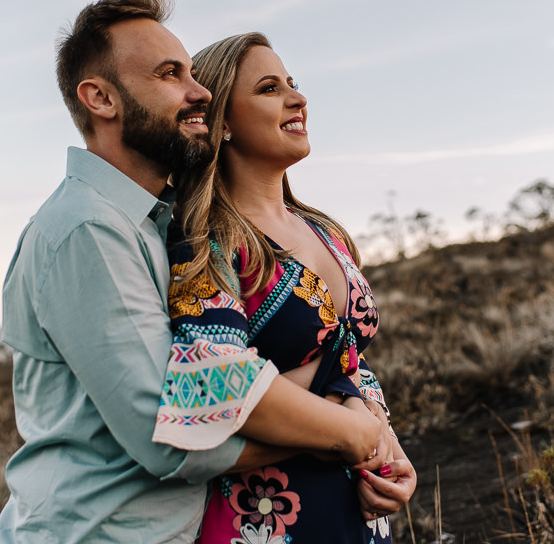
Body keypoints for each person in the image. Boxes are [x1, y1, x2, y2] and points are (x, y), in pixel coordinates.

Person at [0, 0, 389, 544]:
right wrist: (350, 432)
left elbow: (333, 356)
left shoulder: (151, 221)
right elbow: (172, 437)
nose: (199, 90)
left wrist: (370, 425)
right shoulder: (90, 229)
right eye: (169, 74)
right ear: (101, 99)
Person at [152, 32, 417, 544]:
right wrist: (349, 432)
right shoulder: (207, 240)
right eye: (270, 88)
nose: (298, 99)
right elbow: (207, 387)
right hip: (262, 521)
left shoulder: (324, 229)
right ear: (222, 121)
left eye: (293, 84)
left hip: (359, 510)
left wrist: (384, 440)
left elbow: (351, 360)